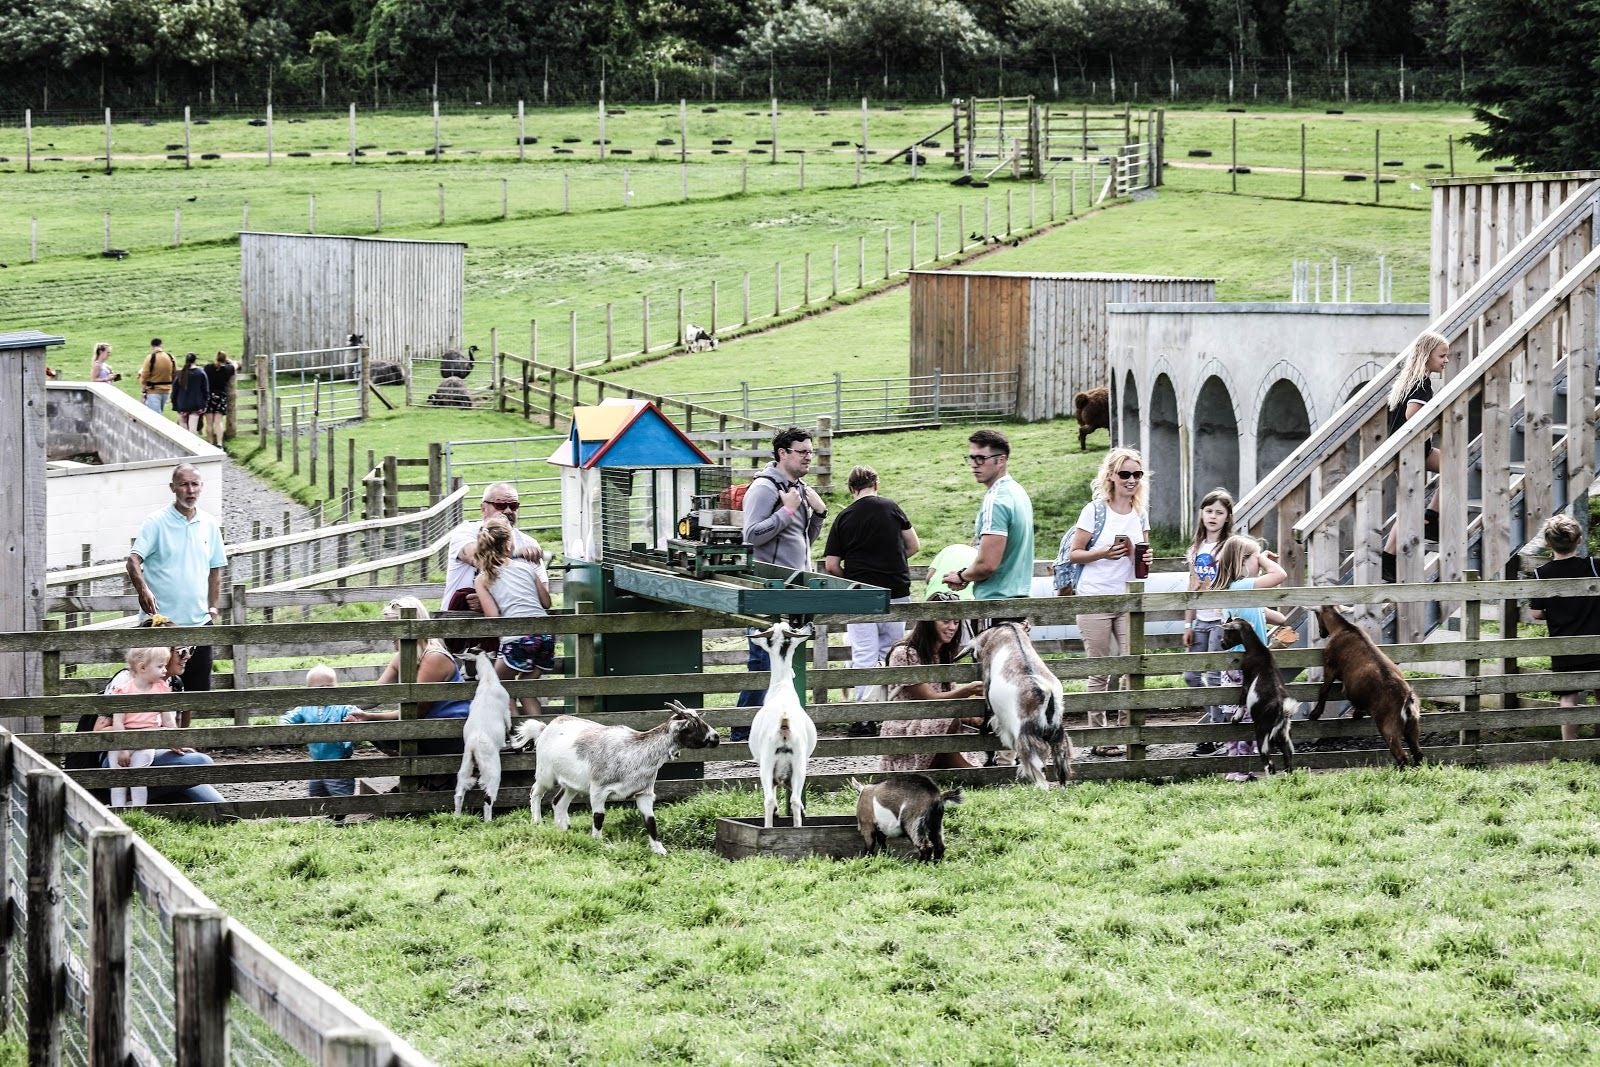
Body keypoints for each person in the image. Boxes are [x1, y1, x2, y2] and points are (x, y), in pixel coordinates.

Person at [734, 427, 827, 739]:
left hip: (793, 591)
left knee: (785, 669)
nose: (808, 457)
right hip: (768, 591)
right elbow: (751, 535)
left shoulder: (798, 488)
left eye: (810, 451)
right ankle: (742, 735)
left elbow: (801, 540)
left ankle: (774, 734)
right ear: (782, 453)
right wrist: (787, 510)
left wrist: (818, 515)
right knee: (763, 664)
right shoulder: (764, 488)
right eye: (801, 451)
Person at [1063, 447, 1153, 757]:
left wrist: (1144, 557)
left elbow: (1143, 559)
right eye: (1125, 474)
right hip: (1095, 596)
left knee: (1131, 667)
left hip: (1127, 597)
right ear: (1111, 476)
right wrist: (1103, 552)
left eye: (1136, 475)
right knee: (1100, 669)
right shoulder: (1094, 510)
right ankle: (1099, 737)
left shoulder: (1140, 513)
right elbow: (1074, 553)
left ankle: (1128, 732)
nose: (1131, 480)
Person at [75, 634, 226, 806]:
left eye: (191, 649)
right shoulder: (126, 680)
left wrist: (176, 740)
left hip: (153, 753)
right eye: (182, 651)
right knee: (201, 762)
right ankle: (128, 799)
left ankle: (154, 796)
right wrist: (150, 735)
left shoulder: (174, 683)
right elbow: (99, 732)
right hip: (120, 755)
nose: (188, 656)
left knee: (219, 805)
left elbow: (169, 724)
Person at [823, 465, 919, 728]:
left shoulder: (844, 517)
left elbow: (831, 565)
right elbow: (914, 545)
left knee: (864, 653)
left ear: (852, 488)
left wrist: (855, 576)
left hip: (860, 596)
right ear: (876, 484)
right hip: (896, 592)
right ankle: (888, 715)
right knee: (891, 652)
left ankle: (863, 717)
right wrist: (893, 561)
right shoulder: (892, 508)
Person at [126, 464, 227, 694]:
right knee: (153, 690)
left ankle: (184, 732)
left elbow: (215, 571)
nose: (190, 490)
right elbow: (133, 561)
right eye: (184, 484)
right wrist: (144, 591)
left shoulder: (210, 524)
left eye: (195, 484)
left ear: (201, 487)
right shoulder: (156, 522)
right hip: (162, 627)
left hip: (198, 625)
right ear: (173, 487)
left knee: (193, 694)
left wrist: (212, 609)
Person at [348, 597, 471, 764]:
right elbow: (375, 695)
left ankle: (432, 779)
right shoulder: (405, 655)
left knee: (379, 729)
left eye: (394, 627)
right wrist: (342, 709)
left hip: (451, 732)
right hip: (428, 728)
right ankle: (427, 779)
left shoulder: (434, 657)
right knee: (369, 728)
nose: (390, 635)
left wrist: (370, 717)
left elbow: (417, 711)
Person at [1211, 534, 1291, 778]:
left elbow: (1280, 618)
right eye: (1255, 558)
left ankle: (1236, 770)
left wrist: (1269, 615)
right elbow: (1280, 575)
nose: (1260, 564)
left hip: (1239, 666)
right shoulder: (1241, 587)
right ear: (1243, 562)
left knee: (1244, 717)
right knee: (1250, 717)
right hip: (1247, 666)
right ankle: (1241, 772)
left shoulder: (1238, 592)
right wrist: (1266, 561)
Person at [879, 595, 986, 772]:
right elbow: (929, 699)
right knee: (947, 718)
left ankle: (964, 770)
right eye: (946, 621)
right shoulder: (905, 653)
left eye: (956, 622)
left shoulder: (944, 654)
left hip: (935, 723)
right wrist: (968, 690)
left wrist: (974, 714)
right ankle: (970, 774)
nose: (952, 627)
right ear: (929, 622)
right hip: (907, 726)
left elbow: (950, 698)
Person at [1382, 331, 1449, 582]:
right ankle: (1388, 558)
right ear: (1426, 355)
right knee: (1409, 505)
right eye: (1442, 355)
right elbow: (1413, 415)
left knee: (1454, 467)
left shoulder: (1409, 380)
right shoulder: (1422, 384)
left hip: (1417, 450)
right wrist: (1437, 423)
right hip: (1410, 453)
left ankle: (1431, 517)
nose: (1445, 360)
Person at [473, 516, 555, 717]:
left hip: (518, 639)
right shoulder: (527, 568)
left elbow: (493, 616)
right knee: (527, 689)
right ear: (509, 543)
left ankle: (516, 737)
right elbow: (546, 603)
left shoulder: (483, 578)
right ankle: (536, 739)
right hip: (545, 637)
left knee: (501, 687)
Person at [941, 428, 1034, 605]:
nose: (974, 464)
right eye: (971, 458)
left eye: (981, 458)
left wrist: (961, 576)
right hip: (1019, 601)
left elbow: (987, 564)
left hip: (994, 603)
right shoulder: (1018, 492)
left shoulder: (996, 500)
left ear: (1001, 460)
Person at [1528, 515, 1600, 742]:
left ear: (1548, 544)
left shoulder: (1541, 574)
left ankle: (1570, 747)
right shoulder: (1594, 566)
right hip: (1596, 642)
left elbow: (1536, 613)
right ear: (1579, 540)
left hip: (1564, 645)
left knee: (1568, 697)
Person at [1183, 488, 1236, 754]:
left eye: (1219, 512)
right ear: (1201, 514)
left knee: (1215, 676)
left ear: (1227, 518)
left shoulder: (1229, 546)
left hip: (1220, 619)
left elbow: (1234, 580)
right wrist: (1187, 624)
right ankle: (1218, 722)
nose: (1213, 516)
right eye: (1208, 511)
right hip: (1200, 620)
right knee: (1191, 675)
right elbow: (1192, 586)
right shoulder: (1195, 548)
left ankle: (1217, 735)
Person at [441, 481, 541, 613]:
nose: (508, 510)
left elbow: (540, 596)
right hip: (460, 622)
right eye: (500, 505)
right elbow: (478, 557)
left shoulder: (529, 543)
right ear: (483, 508)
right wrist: (516, 553)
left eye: (513, 505)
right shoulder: (465, 532)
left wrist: (489, 600)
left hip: (511, 626)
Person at [103, 646, 178, 807]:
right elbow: (118, 722)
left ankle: (138, 812)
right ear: (142, 667)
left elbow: (168, 720)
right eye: (160, 666)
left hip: (145, 742)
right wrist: (122, 748)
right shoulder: (123, 691)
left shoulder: (162, 690)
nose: (165, 670)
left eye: (165, 665)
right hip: (123, 741)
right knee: (118, 780)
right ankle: (118, 811)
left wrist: (176, 740)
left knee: (139, 777)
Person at [279, 665, 360, 805]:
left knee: (340, 791)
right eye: (320, 688)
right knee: (317, 794)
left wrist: (354, 719)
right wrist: (285, 724)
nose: (325, 691)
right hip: (316, 760)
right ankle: (327, 815)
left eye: (330, 686)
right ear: (309, 691)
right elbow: (290, 717)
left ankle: (340, 817)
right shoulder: (306, 708)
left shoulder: (341, 706)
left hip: (338, 760)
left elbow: (355, 713)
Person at [172, 352, 211, 434]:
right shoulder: (201, 373)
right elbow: (205, 390)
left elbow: (174, 391)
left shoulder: (180, 373)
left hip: (182, 404)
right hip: (196, 404)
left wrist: (175, 404)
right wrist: (205, 404)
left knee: (183, 427)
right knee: (192, 429)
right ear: (195, 360)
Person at [137, 338, 177, 413]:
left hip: (153, 390)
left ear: (151, 347)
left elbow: (145, 374)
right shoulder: (170, 357)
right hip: (167, 390)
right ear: (162, 345)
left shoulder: (150, 358)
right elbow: (174, 373)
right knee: (160, 411)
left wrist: (143, 388)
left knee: (155, 415)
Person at [205, 350, 236, 446]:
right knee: (218, 422)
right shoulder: (228, 369)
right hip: (221, 396)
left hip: (209, 396)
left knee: (209, 423)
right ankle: (219, 443)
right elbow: (236, 365)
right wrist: (230, 361)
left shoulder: (208, 368)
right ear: (225, 359)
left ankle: (210, 443)